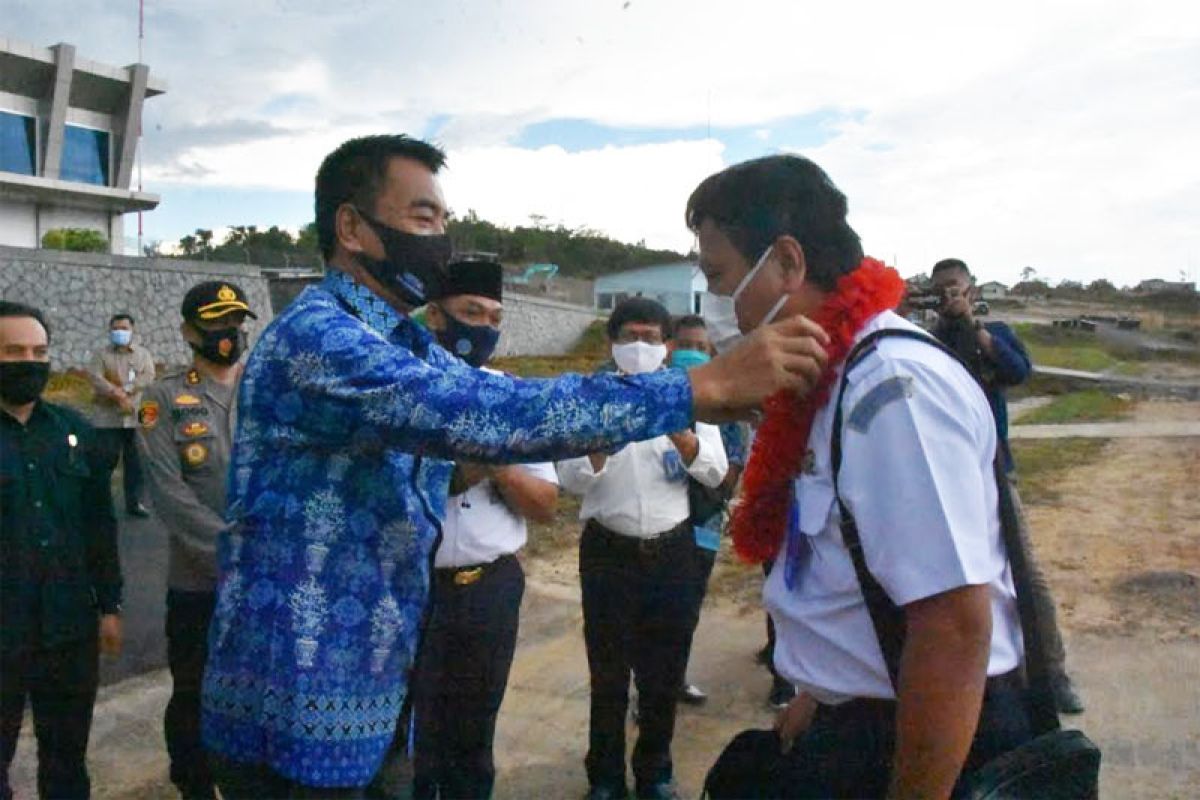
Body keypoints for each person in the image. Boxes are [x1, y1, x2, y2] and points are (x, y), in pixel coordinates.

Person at [199, 134, 830, 797]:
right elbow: (491, 411)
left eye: (444, 222)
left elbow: (476, 422)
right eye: (422, 219)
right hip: (299, 705)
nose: (440, 241)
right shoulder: (319, 336)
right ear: (352, 227)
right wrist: (697, 388)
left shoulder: (402, 341)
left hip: (371, 684)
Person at [690, 155, 1033, 798]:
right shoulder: (829, 379)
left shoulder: (891, 391)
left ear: (788, 263)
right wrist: (821, 698)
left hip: (919, 739)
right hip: (860, 719)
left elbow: (954, 628)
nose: (713, 303)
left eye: (718, 275)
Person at [558, 298, 728, 800]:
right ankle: (605, 778)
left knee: (663, 675)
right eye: (630, 336)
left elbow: (717, 472)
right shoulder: (588, 399)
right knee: (607, 676)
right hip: (608, 555)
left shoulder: (688, 398)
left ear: (668, 346)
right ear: (612, 341)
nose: (641, 347)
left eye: (652, 338)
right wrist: (601, 441)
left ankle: (654, 771)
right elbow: (569, 480)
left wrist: (683, 437)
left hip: (672, 554)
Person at [408, 256, 560, 800]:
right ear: (434, 315)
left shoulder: (511, 396)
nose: (484, 328)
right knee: (410, 741)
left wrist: (496, 459)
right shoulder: (400, 389)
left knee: (474, 735)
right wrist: (492, 446)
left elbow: (545, 504)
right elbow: (422, 487)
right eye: (471, 312)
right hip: (411, 591)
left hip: (488, 591)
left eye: (495, 318)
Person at [930, 257, 1083, 714]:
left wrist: (976, 331)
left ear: (972, 290)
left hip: (996, 467)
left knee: (1025, 574)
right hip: (947, 475)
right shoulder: (926, 342)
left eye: (955, 288)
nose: (948, 297)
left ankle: (1051, 673)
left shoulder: (994, 333)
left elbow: (1019, 372)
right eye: (939, 290)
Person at [137, 282, 258, 800]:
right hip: (199, 584)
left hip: (262, 583)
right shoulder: (162, 399)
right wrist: (236, 552)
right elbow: (168, 494)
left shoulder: (263, 390)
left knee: (256, 695)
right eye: (214, 325)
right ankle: (194, 787)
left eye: (234, 323)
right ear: (189, 332)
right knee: (193, 694)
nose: (227, 335)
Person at [0, 301, 123, 800]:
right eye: (13, 352)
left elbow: (99, 525)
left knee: (67, 760)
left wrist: (110, 605)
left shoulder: (75, 433)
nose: (29, 361)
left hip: (67, 627)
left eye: (39, 351)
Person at [665, 315, 745, 707]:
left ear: (713, 351)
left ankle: (674, 678)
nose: (692, 353)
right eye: (684, 345)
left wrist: (696, 455)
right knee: (655, 612)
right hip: (660, 527)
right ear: (669, 348)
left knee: (686, 610)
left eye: (700, 347)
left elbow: (729, 477)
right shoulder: (656, 398)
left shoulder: (727, 405)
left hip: (703, 525)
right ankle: (650, 687)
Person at [84, 313, 156, 517]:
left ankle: (135, 503)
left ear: (132, 330)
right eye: (116, 328)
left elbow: (149, 376)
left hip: (134, 416)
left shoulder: (143, 355)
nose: (120, 332)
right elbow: (95, 377)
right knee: (104, 462)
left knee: (136, 463)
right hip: (107, 418)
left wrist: (127, 388)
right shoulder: (101, 355)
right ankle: (100, 504)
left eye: (124, 328)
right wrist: (115, 393)